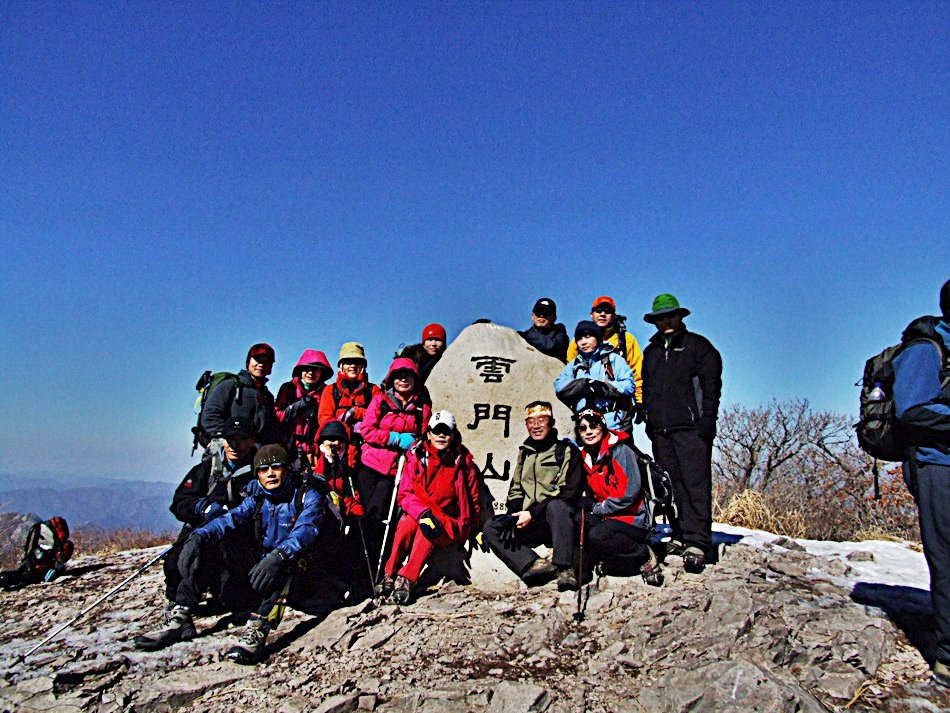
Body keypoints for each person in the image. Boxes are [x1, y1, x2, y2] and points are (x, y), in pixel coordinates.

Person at [135, 444, 324, 664]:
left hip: (301, 570)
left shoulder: (306, 497)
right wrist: (199, 536)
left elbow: (306, 531)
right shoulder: (257, 499)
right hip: (263, 562)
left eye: (276, 467)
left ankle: (258, 628)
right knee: (211, 545)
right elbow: (231, 519)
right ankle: (182, 613)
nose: (270, 473)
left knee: (284, 564)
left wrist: (278, 556)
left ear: (287, 469)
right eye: (263, 470)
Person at [893, 279, 950, 689]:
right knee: (947, 558)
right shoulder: (926, 349)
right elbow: (912, 410)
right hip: (937, 466)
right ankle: (947, 655)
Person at [641, 294, 722, 573]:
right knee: (670, 487)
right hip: (661, 431)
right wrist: (649, 420)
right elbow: (647, 389)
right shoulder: (650, 352)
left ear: (680, 316)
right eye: (660, 317)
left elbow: (711, 390)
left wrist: (705, 425)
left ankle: (698, 542)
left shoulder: (699, 347)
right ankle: (679, 535)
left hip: (691, 430)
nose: (665, 321)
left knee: (694, 485)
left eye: (670, 315)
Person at [376, 411, 481, 605]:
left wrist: (475, 528)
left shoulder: (463, 462)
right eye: (436, 431)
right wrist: (422, 513)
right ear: (429, 434)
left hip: (449, 522)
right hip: (420, 514)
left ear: (454, 435)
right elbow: (405, 494)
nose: (441, 436)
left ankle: (407, 579)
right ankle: (389, 573)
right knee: (407, 524)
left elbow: (473, 498)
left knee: (429, 528)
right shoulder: (417, 458)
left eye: (446, 432)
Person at [159, 417, 258, 614]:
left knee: (232, 589)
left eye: (241, 439)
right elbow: (180, 502)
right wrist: (201, 508)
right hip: (203, 531)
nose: (234, 446)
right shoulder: (208, 468)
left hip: (239, 538)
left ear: (251, 441)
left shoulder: (259, 469)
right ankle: (177, 604)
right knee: (175, 562)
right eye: (230, 440)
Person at [481, 402, 585, 588]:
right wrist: (515, 515)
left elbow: (569, 492)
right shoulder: (525, 453)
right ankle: (533, 564)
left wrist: (533, 513)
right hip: (531, 521)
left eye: (541, 420)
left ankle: (564, 568)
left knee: (557, 506)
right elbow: (516, 488)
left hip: (557, 520)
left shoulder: (566, 451)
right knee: (492, 527)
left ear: (552, 423)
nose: (536, 426)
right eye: (531, 421)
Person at [357, 358, 432, 563]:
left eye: (408, 376)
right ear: (391, 379)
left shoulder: (421, 407)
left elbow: (424, 436)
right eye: (398, 376)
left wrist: (414, 446)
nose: (403, 380)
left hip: (401, 470)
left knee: (391, 520)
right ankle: (364, 567)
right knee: (370, 518)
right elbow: (367, 430)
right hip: (373, 466)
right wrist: (394, 438)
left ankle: (386, 565)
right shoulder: (381, 400)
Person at [573, 409, 658, 587]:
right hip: (608, 517)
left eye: (593, 426)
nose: (588, 431)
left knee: (598, 535)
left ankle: (642, 554)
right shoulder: (586, 457)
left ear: (603, 427)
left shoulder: (620, 450)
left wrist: (598, 508)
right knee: (578, 520)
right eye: (582, 428)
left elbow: (628, 494)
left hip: (632, 519)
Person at [555, 321, 636, 432]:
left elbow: (629, 386)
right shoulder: (574, 365)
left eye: (588, 337)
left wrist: (605, 388)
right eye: (579, 338)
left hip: (614, 425)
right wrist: (584, 383)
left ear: (598, 338)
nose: (583, 342)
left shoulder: (614, 359)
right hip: (586, 429)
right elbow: (559, 385)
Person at [200, 343, 284, 446]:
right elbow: (209, 418)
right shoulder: (229, 385)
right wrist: (232, 440)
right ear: (248, 362)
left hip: (256, 453)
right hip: (229, 450)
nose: (261, 364)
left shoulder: (267, 396)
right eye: (257, 359)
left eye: (267, 361)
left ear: (271, 367)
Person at [566, 296, 644, 401]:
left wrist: (639, 402)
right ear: (591, 315)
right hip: (586, 405)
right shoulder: (578, 341)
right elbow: (569, 373)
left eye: (608, 311)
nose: (603, 314)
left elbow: (637, 375)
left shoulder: (627, 340)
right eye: (598, 310)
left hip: (619, 406)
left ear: (613, 315)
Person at [317, 342, 381, 466]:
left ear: (363, 365)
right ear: (341, 365)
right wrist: (341, 427)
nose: (352, 366)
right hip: (337, 449)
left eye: (357, 362)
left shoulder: (373, 391)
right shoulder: (331, 390)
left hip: (366, 450)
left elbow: (379, 417)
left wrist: (356, 412)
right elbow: (323, 419)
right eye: (348, 362)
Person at [275, 349, 333, 465]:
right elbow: (276, 416)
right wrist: (296, 406)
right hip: (287, 449)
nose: (310, 373)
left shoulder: (326, 392)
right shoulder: (288, 389)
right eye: (307, 369)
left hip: (315, 451)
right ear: (300, 370)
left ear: (322, 372)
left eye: (315, 369)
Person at [519, 298, 569, 362]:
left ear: (554, 318)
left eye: (546, 313)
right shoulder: (522, 336)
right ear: (532, 316)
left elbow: (551, 348)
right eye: (538, 312)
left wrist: (527, 335)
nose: (541, 316)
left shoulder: (560, 335)